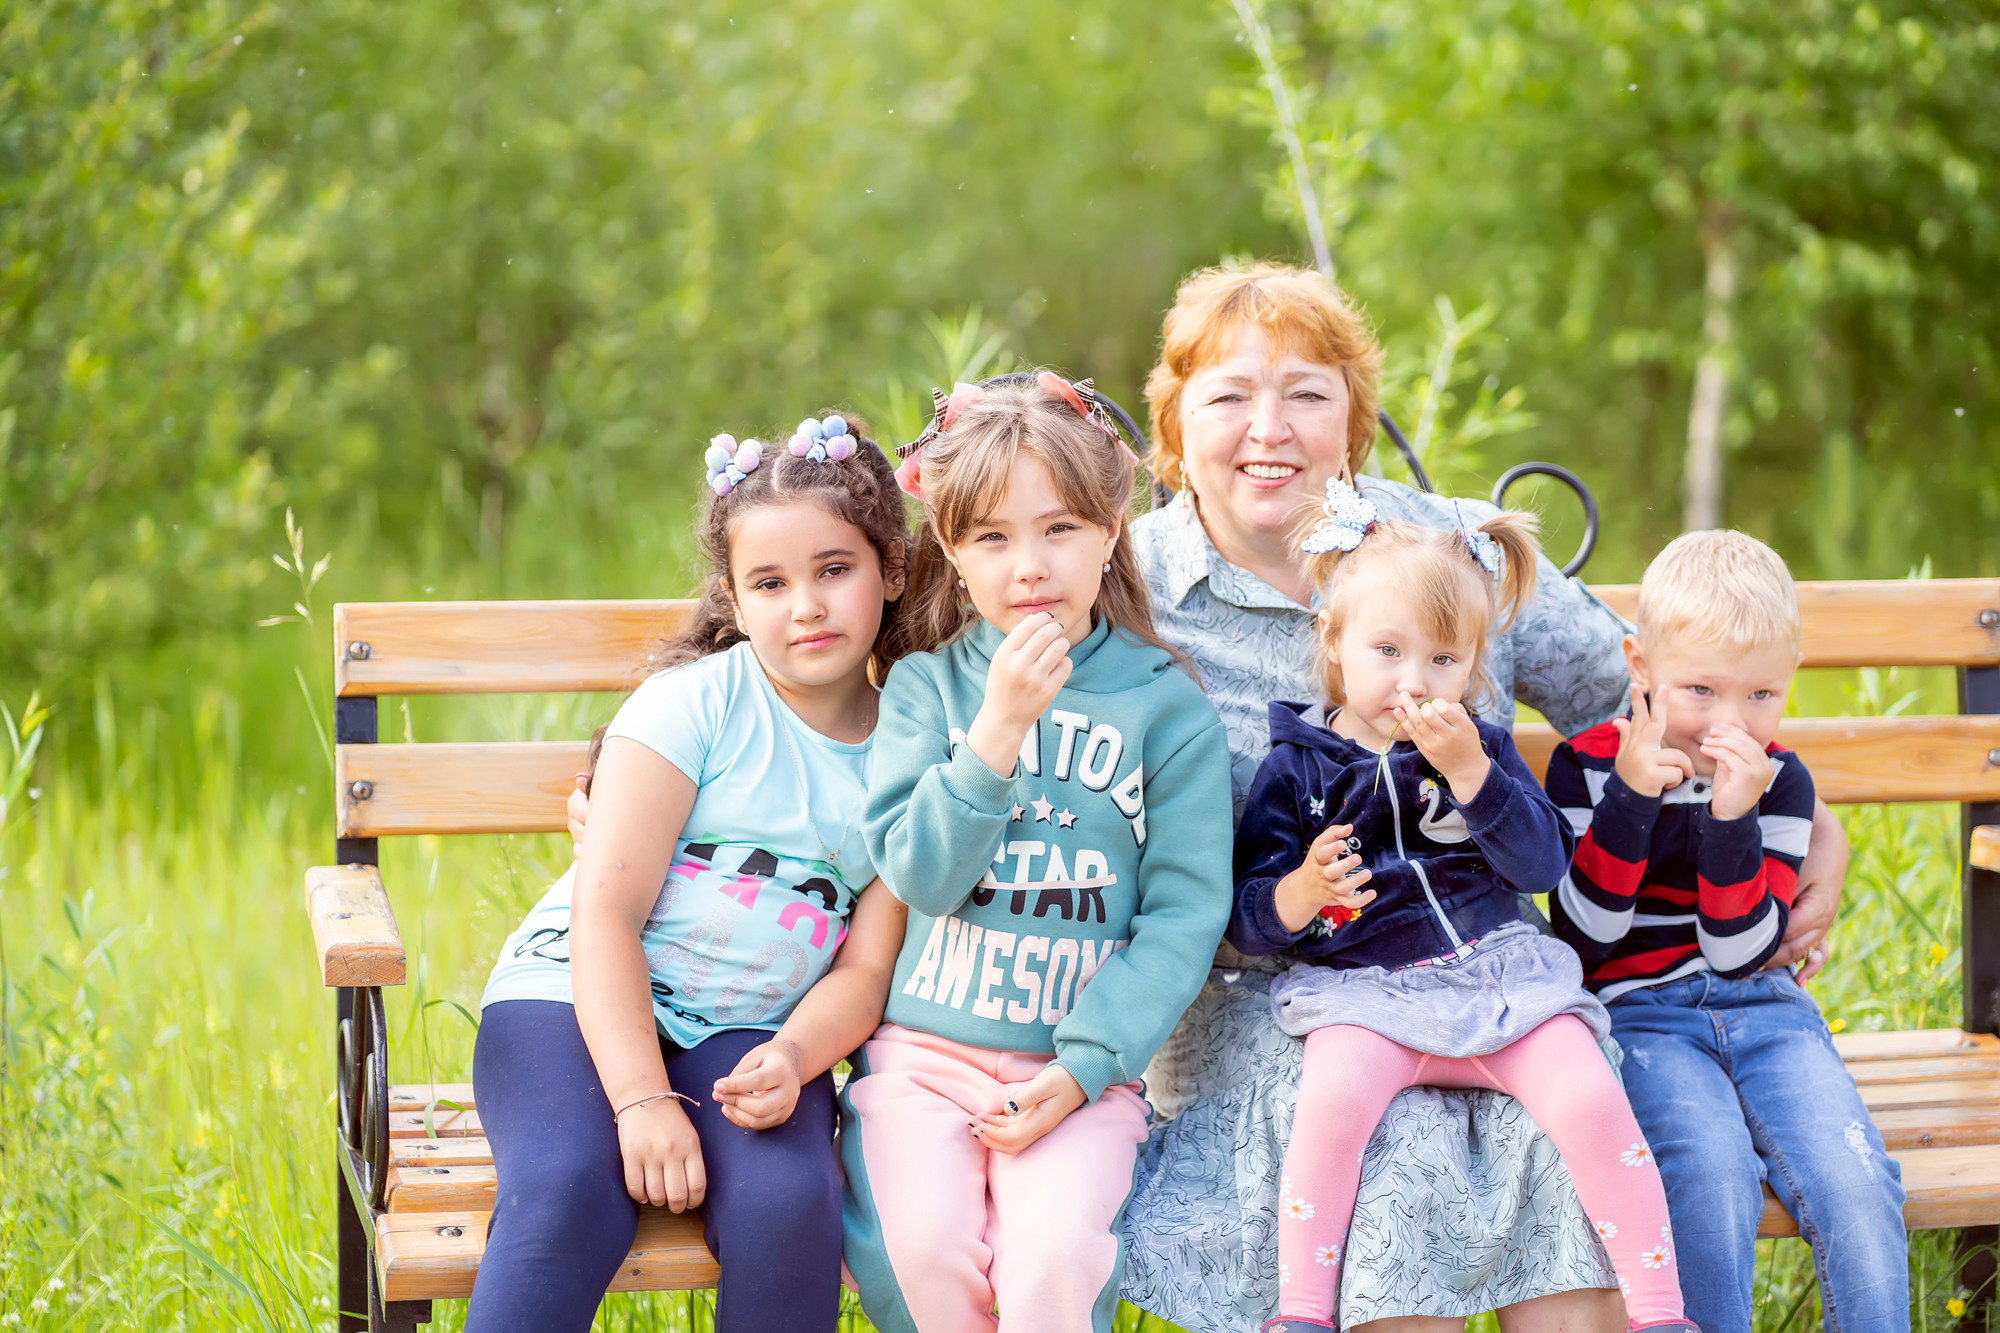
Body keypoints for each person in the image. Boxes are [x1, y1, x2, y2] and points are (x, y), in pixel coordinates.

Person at [1119, 261, 1851, 1333]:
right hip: (1261, 998)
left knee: (1559, 1121)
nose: (1265, 428)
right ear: (1177, 425)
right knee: (1396, 1144)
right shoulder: (1130, 587)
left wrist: (1811, 824)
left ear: (1353, 423)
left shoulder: (1445, 544)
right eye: (1228, 395)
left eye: (1306, 394)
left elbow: (1649, 689)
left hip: (1488, 971)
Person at [466, 417, 911, 1333]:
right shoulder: (690, 708)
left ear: (891, 570)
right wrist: (639, 1100)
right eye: (770, 582)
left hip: (748, 1028)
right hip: (569, 999)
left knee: (791, 1200)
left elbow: (865, 970)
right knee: (569, 1189)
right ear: (734, 600)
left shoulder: (913, 752)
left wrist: (793, 1055)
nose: (806, 605)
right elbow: (606, 915)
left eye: (835, 569)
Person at [1233, 485, 1689, 1333]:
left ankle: (1661, 1313)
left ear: (1473, 667)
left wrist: (1476, 776)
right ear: (1334, 644)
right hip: (1365, 992)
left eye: (1443, 661)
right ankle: (1301, 1314)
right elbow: (1248, 915)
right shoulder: (1298, 769)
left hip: (1498, 976)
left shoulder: (1480, 747)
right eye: (1387, 651)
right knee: (1329, 1106)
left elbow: (1545, 861)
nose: (1414, 682)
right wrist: (1301, 891)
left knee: (1589, 1093)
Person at [837, 373, 1235, 1333]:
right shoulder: (927, 692)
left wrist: (1087, 1062)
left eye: (1060, 528)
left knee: (1053, 1262)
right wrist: (998, 731)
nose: (1030, 566)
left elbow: (1183, 915)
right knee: (920, 1253)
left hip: (1076, 1070)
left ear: (1110, 531)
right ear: (953, 555)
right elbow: (921, 875)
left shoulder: (1165, 708)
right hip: (921, 1063)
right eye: (993, 538)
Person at [1548, 530, 1907, 1333]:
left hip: (1767, 1008)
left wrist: (1732, 816)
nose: (1728, 723)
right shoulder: (1583, 768)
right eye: (1700, 690)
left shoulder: (1779, 782)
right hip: (1641, 1014)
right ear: (1639, 667)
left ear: (1789, 683)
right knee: (1709, 1175)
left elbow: (1738, 949)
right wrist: (1633, 801)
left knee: (1855, 1177)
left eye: (1760, 696)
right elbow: (1583, 942)